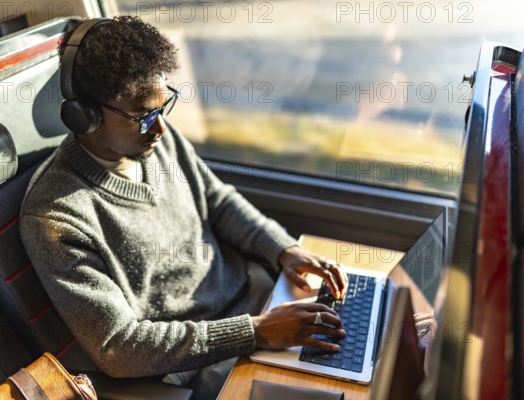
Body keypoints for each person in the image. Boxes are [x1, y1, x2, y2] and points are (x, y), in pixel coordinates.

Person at [20, 15, 348, 399]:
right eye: (143, 117)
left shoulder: (156, 139)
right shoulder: (56, 216)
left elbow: (217, 200)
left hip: (260, 300)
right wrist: (255, 331)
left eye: (163, 108)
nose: (159, 128)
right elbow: (119, 347)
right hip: (201, 362)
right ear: (85, 115)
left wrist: (282, 249)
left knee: (373, 343)